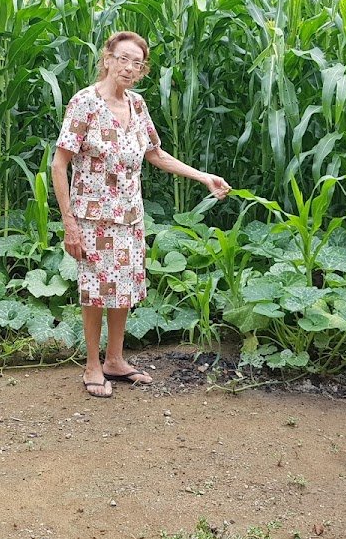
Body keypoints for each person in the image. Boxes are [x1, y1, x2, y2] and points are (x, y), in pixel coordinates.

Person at [52, 31, 231, 398]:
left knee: (123, 289)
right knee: (96, 292)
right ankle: (91, 365)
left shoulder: (137, 105)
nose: (129, 68)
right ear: (107, 59)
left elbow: (155, 154)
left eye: (137, 63)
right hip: (93, 218)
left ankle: (115, 360)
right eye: (123, 59)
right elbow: (59, 163)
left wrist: (203, 177)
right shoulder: (84, 103)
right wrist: (69, 224)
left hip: (131, 216)